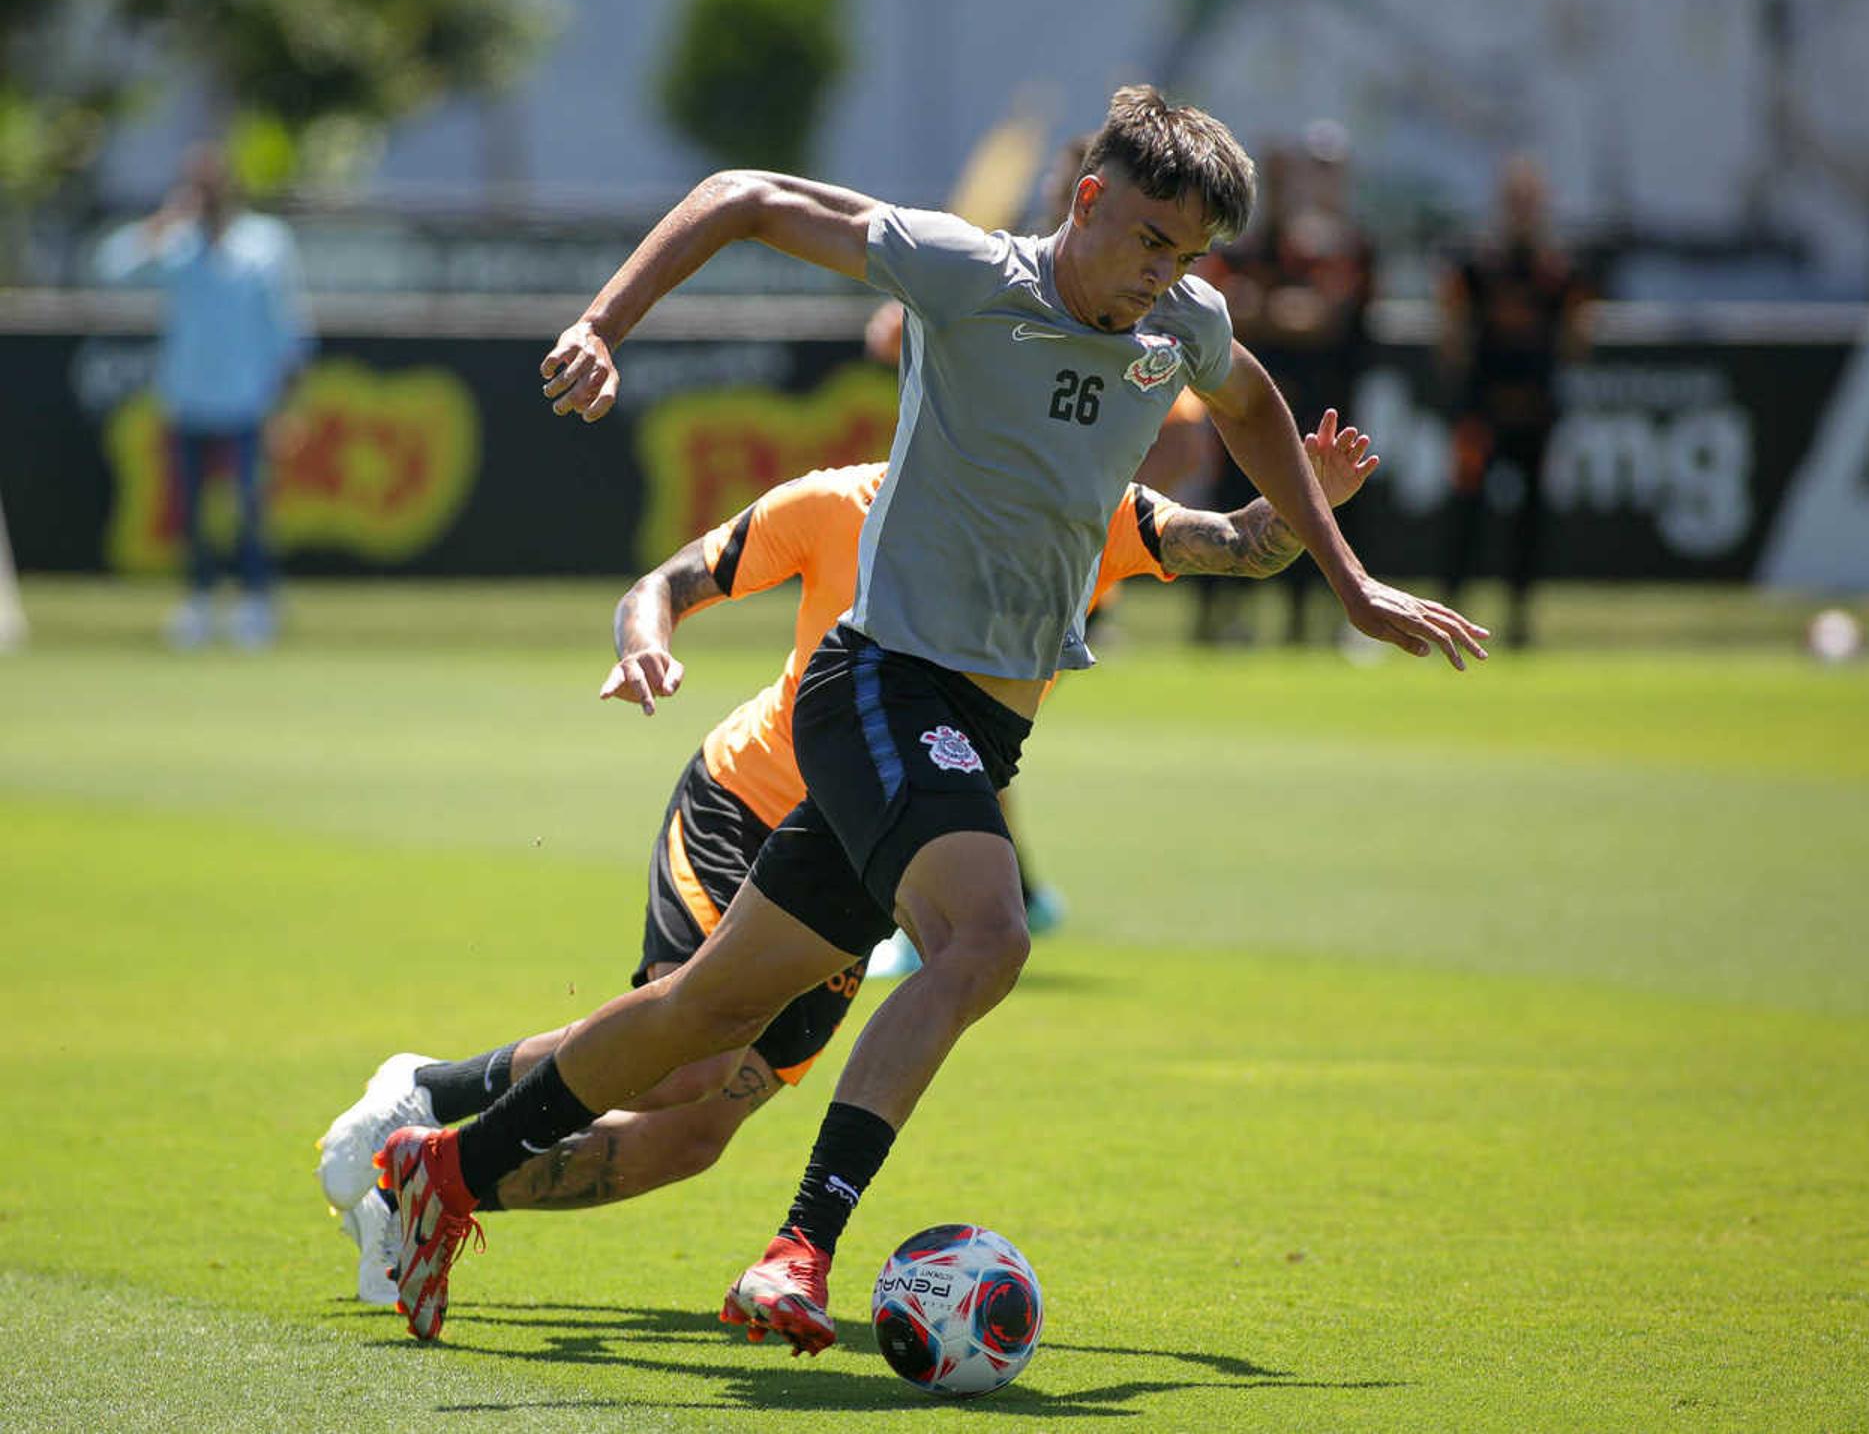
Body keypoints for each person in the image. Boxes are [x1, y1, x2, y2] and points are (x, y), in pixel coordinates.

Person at [376, 84, 1485, 1350]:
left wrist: (1347, 580)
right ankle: (800, 1250)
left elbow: (1253, 409)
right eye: (1147, 243)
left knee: (704, 1018)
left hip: (976, 726)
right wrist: (600, 324)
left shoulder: (1180, 323)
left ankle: (444, 1173)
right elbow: (747, 197)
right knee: (989, 936)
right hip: (883, 686)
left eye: (1187, 257)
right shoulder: (970, 274)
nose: (1161, 277)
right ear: (1087, 199)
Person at [318, 419, 1378, 1305]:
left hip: (876, 843)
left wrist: (1311, 502)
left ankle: (427, 1184)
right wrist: (646, 639)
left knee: (693, 1136)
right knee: (694, 1047)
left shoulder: (1091, 514)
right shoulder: (838, 501)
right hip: (747, 798)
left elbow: (1241, 542)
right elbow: (671, 579)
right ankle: (430, 1096)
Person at [96, 142, 311, 649]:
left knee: (250, 512)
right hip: (189, 399)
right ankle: (198, 601)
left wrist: (289, 403)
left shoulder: (265, 244)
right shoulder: (176, 244)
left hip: (246, 403)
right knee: (190, 513)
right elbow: (109, 266)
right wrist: (163, 223)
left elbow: (288, 326)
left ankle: (256, 603)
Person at [1200, 122, 1376, 645]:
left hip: (1313, 402)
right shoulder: (1241, 250)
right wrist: (1274, 311)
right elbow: (1228, 310)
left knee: (1315, 507)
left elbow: (1320, 316)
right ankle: (1219, 622)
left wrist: (1267, 310)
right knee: (1230, 505)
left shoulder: (1322, 249)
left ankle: (1311, 626)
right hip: (1244, 404)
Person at [1437, 155, 1589, 648]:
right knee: (1466, 514)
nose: (1523, 212)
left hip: (1535, 415)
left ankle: (1521, 619)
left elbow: (1576, 336)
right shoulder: (1478, 267)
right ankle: (1450, 612)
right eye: (1515, 202)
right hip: (1482, 415)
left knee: (1530, 522)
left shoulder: (1558, 272)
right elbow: (1453, 334)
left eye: (1531, 203)